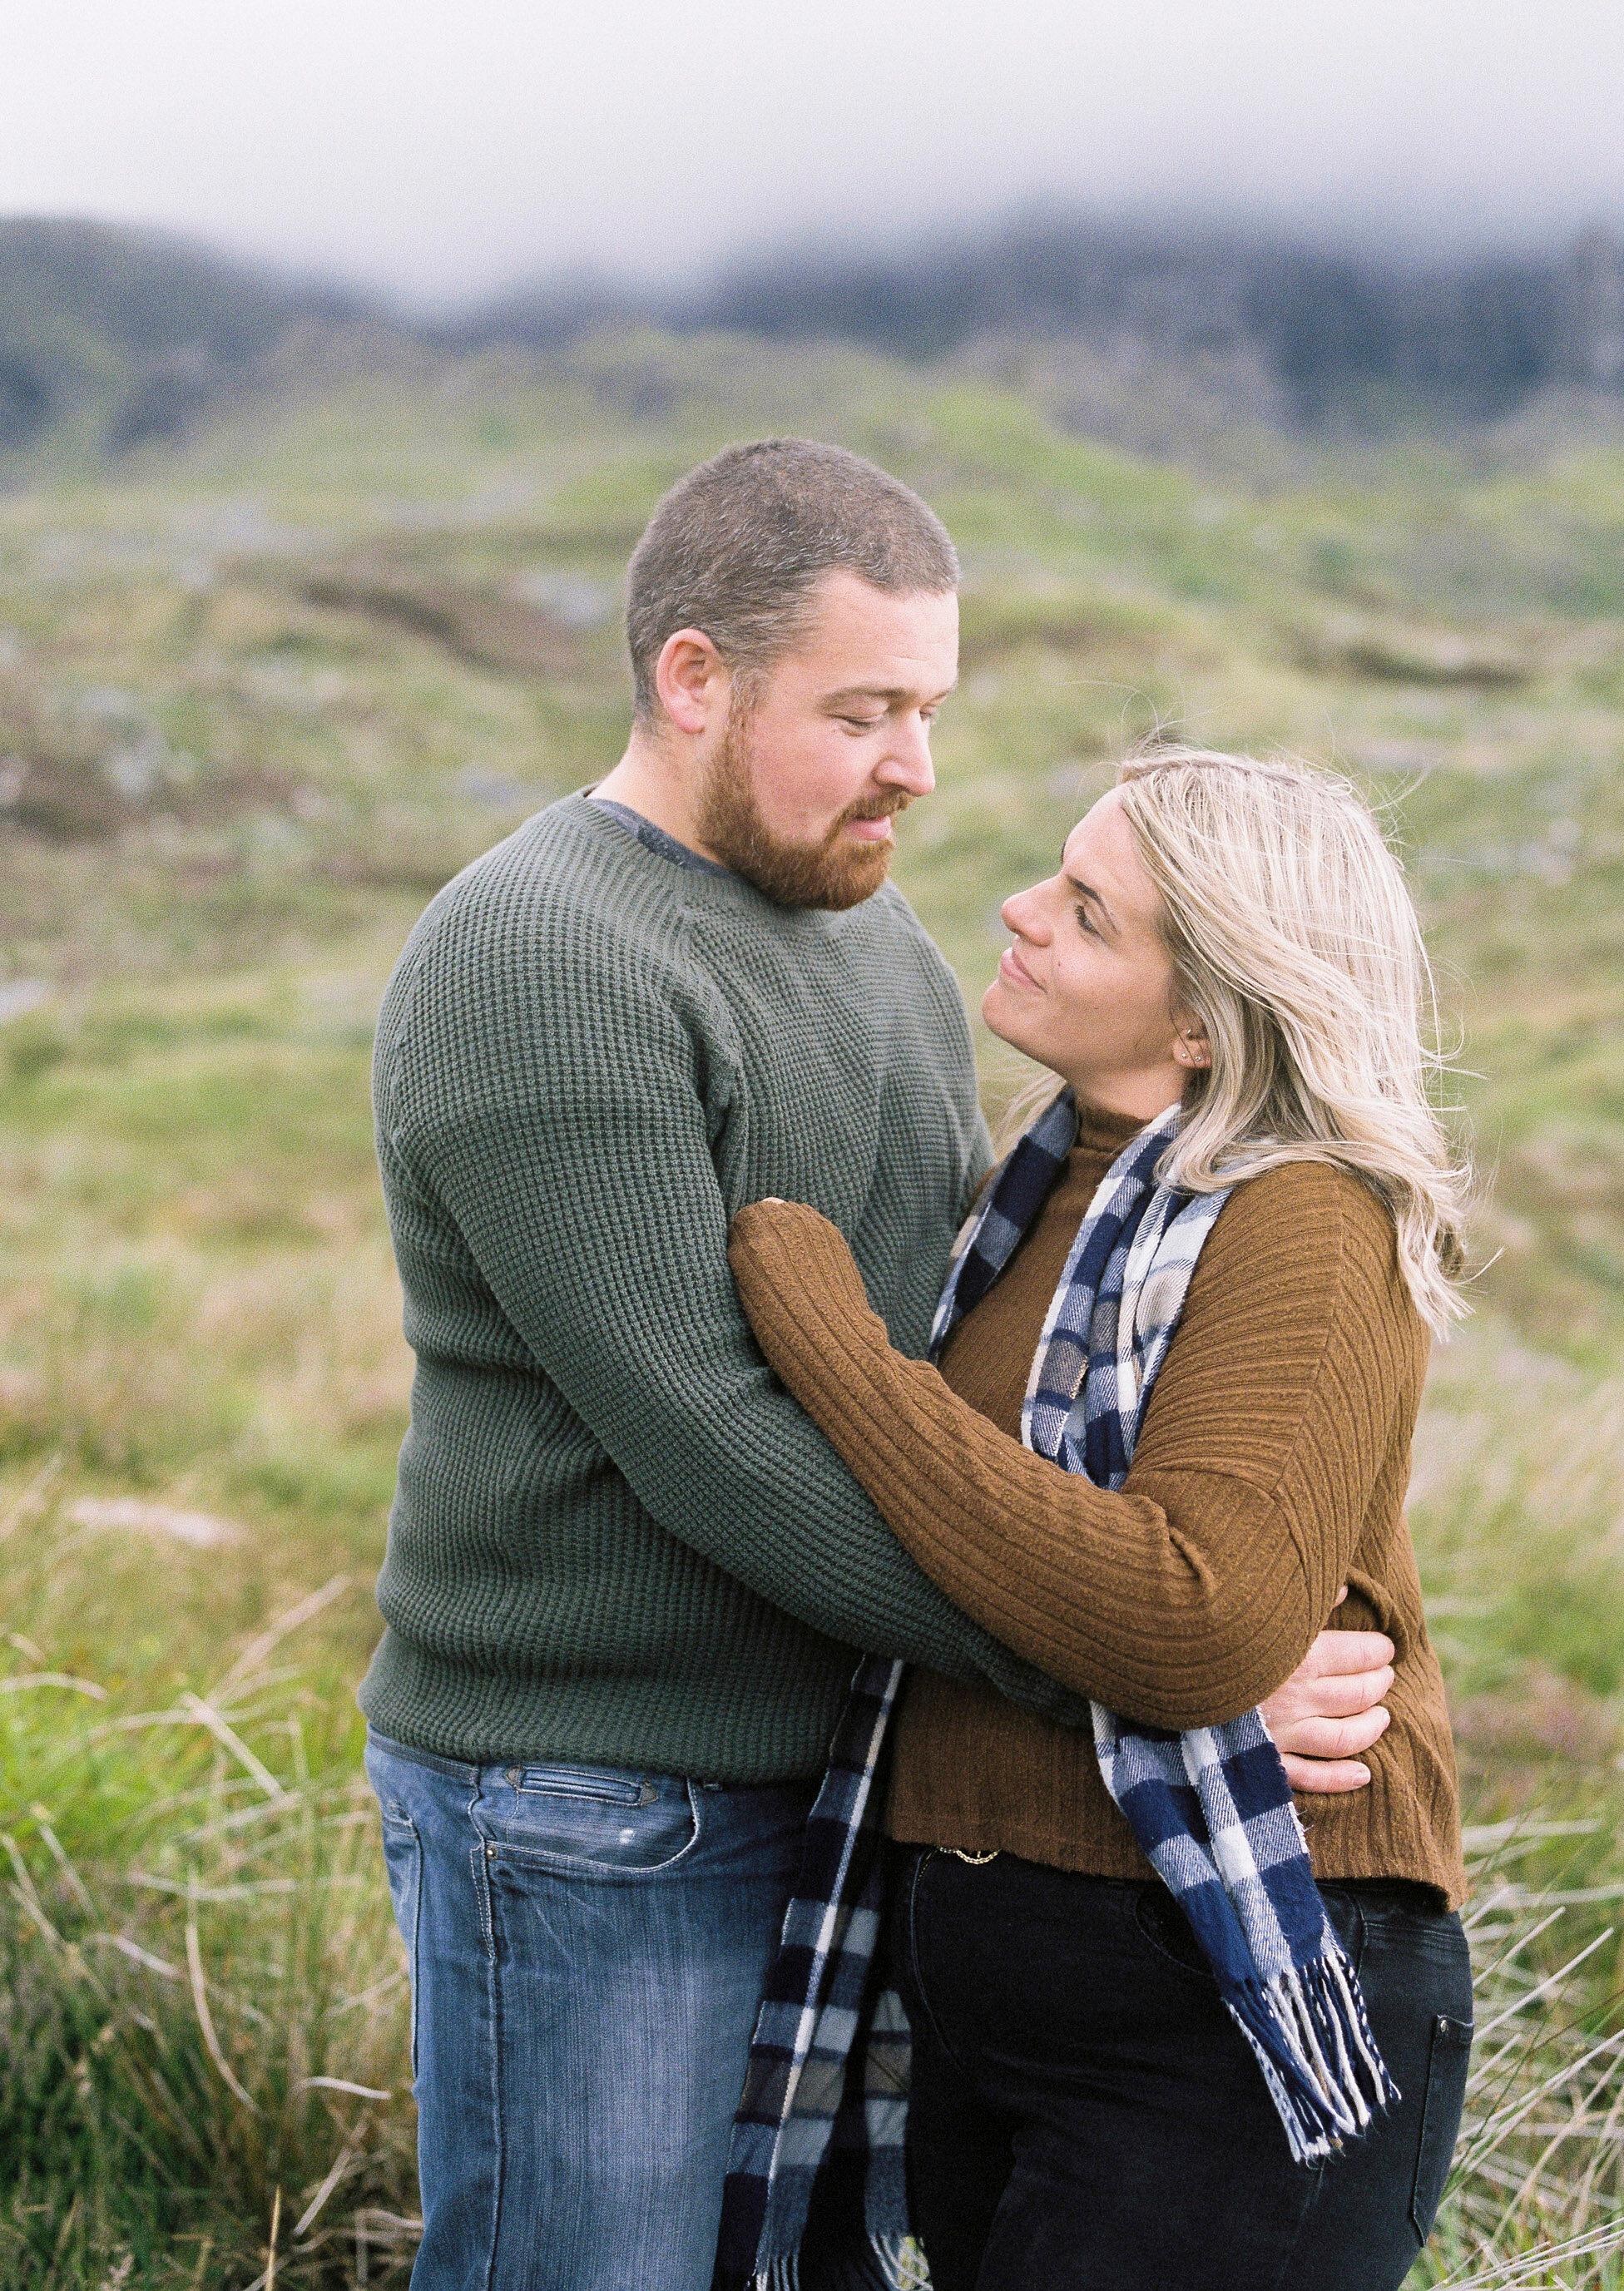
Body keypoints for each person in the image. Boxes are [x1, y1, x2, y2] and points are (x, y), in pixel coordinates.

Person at [359, 443, 1399, 2291]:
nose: (915, 765)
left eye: (926, 707)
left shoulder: (883, 946)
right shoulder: (537, 956)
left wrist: (1168, 1622)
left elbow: (937, 1374)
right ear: (695, 680)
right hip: (596, 1796)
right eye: (860, 711)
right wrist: (1143, 1669)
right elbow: (718, 1445)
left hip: (856, 1793)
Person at [726, 744, 1473, 2291]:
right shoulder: (1048, 1189)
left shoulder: (1305, 1218)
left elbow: (1191, 1617)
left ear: (1206, 1017)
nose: (1016, 911)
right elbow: (1013, 1570)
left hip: (1211, 2019)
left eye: (1085, 912)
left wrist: (849, 1363)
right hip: (1008, 1995)